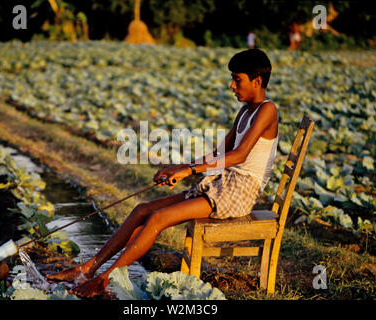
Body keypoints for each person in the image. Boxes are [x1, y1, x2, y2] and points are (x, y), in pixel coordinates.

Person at [47, 49, 279, 298]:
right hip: (223, 184)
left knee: (158, 218)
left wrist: (189, 170)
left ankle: (104, 279)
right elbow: (218, 154)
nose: (232, 85)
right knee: (142, 210)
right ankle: (88, 268)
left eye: (237, 79)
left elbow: (239, 156)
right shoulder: (245, 111)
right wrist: (178, 169)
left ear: (257, 81)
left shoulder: (268, 110)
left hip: (238, 193)